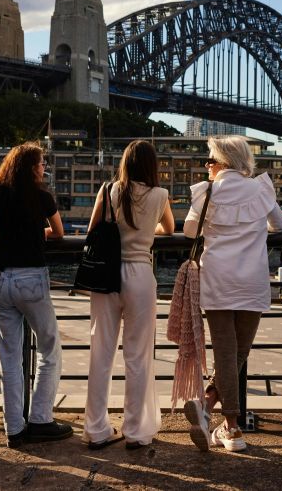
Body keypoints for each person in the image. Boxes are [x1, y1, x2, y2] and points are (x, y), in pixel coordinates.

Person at [182, 136, 282, 452]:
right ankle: (228, 426)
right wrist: (252, 227)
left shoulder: (208, 192)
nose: (208, 166)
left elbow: (189, 231)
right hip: (252, 282)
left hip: (217, 282)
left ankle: (214, 413)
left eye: (210, 161)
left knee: (227, 352)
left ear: (222, 162)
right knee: (239, 352)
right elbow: (279, 226)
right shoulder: (260, 189)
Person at [82, 140, 175, 451]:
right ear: (151, 166)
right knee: (137, 357)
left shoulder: (109, 190)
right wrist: (147, 233)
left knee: (101, 353)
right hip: (140, 276)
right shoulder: (160, 195)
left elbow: (93, 231)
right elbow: (170, 229)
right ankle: (134, 430)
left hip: (107, 276)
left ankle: (96, 429)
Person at [0, 142, 71, 448]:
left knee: (10, 359)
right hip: (31, 279)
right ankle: (41, 419)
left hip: (1, 280)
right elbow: (58, 232)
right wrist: (38, 232)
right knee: (50, 350)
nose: (44, 167)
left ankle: (14, 429)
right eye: (42, 163)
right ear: (33, 168)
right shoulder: (41, 196)